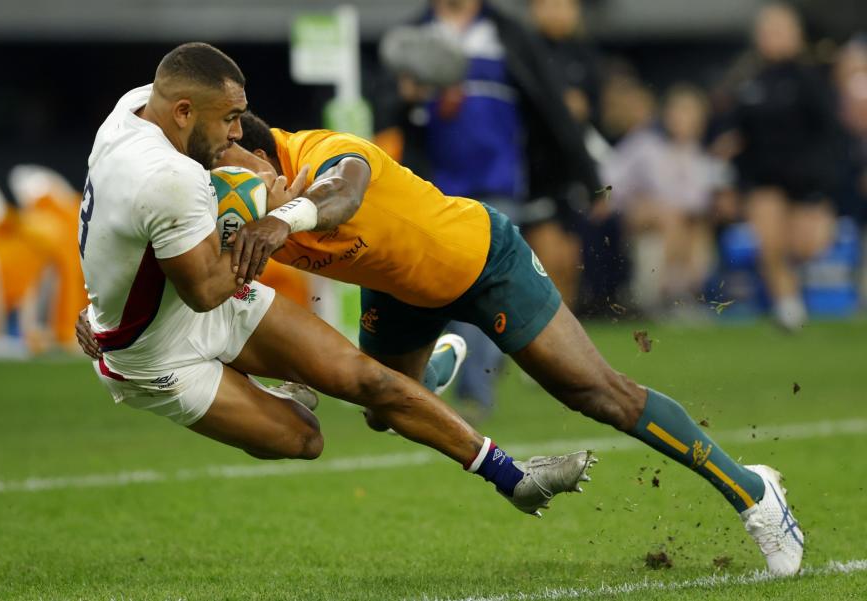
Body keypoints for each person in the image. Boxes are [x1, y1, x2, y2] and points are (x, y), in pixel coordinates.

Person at [193, 113, 804, 575]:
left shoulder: (326, 152)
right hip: (399, 291)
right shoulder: (236, 204)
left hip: (483, 260)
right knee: (385, 412)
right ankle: (428, 371)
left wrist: (283, 219)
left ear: (261, 148)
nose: (221, 175)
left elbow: (345, 193)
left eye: (226, 158)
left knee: (596, 393)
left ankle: (754, 492)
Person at [78, 42, 593, 519]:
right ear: (184, 112)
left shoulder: (135, 109)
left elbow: (115, 227)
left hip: (198, 294)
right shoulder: (171, 178)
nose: (238, 133)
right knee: (304, 438)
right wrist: (265, 219)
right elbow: (205, 288)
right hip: (153, 352)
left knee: (368, 380)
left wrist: (263, 197)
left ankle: (514, 478)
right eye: (230, 119)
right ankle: (276, 390)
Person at [375, 0, 605, 417]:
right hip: (432, 189)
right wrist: (409, 99)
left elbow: (550, 104)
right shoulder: (414, 35)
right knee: (443, 289)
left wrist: (588, 177)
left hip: (500, 184)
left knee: (474, 284)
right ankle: (453, 378)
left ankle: (472, 392)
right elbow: (386, 111)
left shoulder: (509, 33)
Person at [714, 3, 844, 331]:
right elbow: (731, 131)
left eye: (779, 31)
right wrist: (728, 171)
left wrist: (825, 186)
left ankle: (795, 291)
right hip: (763, 178)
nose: (772, 38)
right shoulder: (746, 80)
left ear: (796, 35)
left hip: (806, 180)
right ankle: (788, 309)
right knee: (769, 244)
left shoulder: (812, 78)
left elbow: (830, 133)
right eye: (767, 31)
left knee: (803, 247)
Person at [603, 84, 729, 315]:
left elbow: (703, 202)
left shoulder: (701, 158)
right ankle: (665, 296)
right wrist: (636, 204)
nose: (683, 119)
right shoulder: (644, 146)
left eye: (690, 113)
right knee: (670, 217)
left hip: (686, 229)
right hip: (643, 226)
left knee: (693, 224)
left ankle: (683, 295)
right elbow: (609, 183)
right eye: (678, 111)